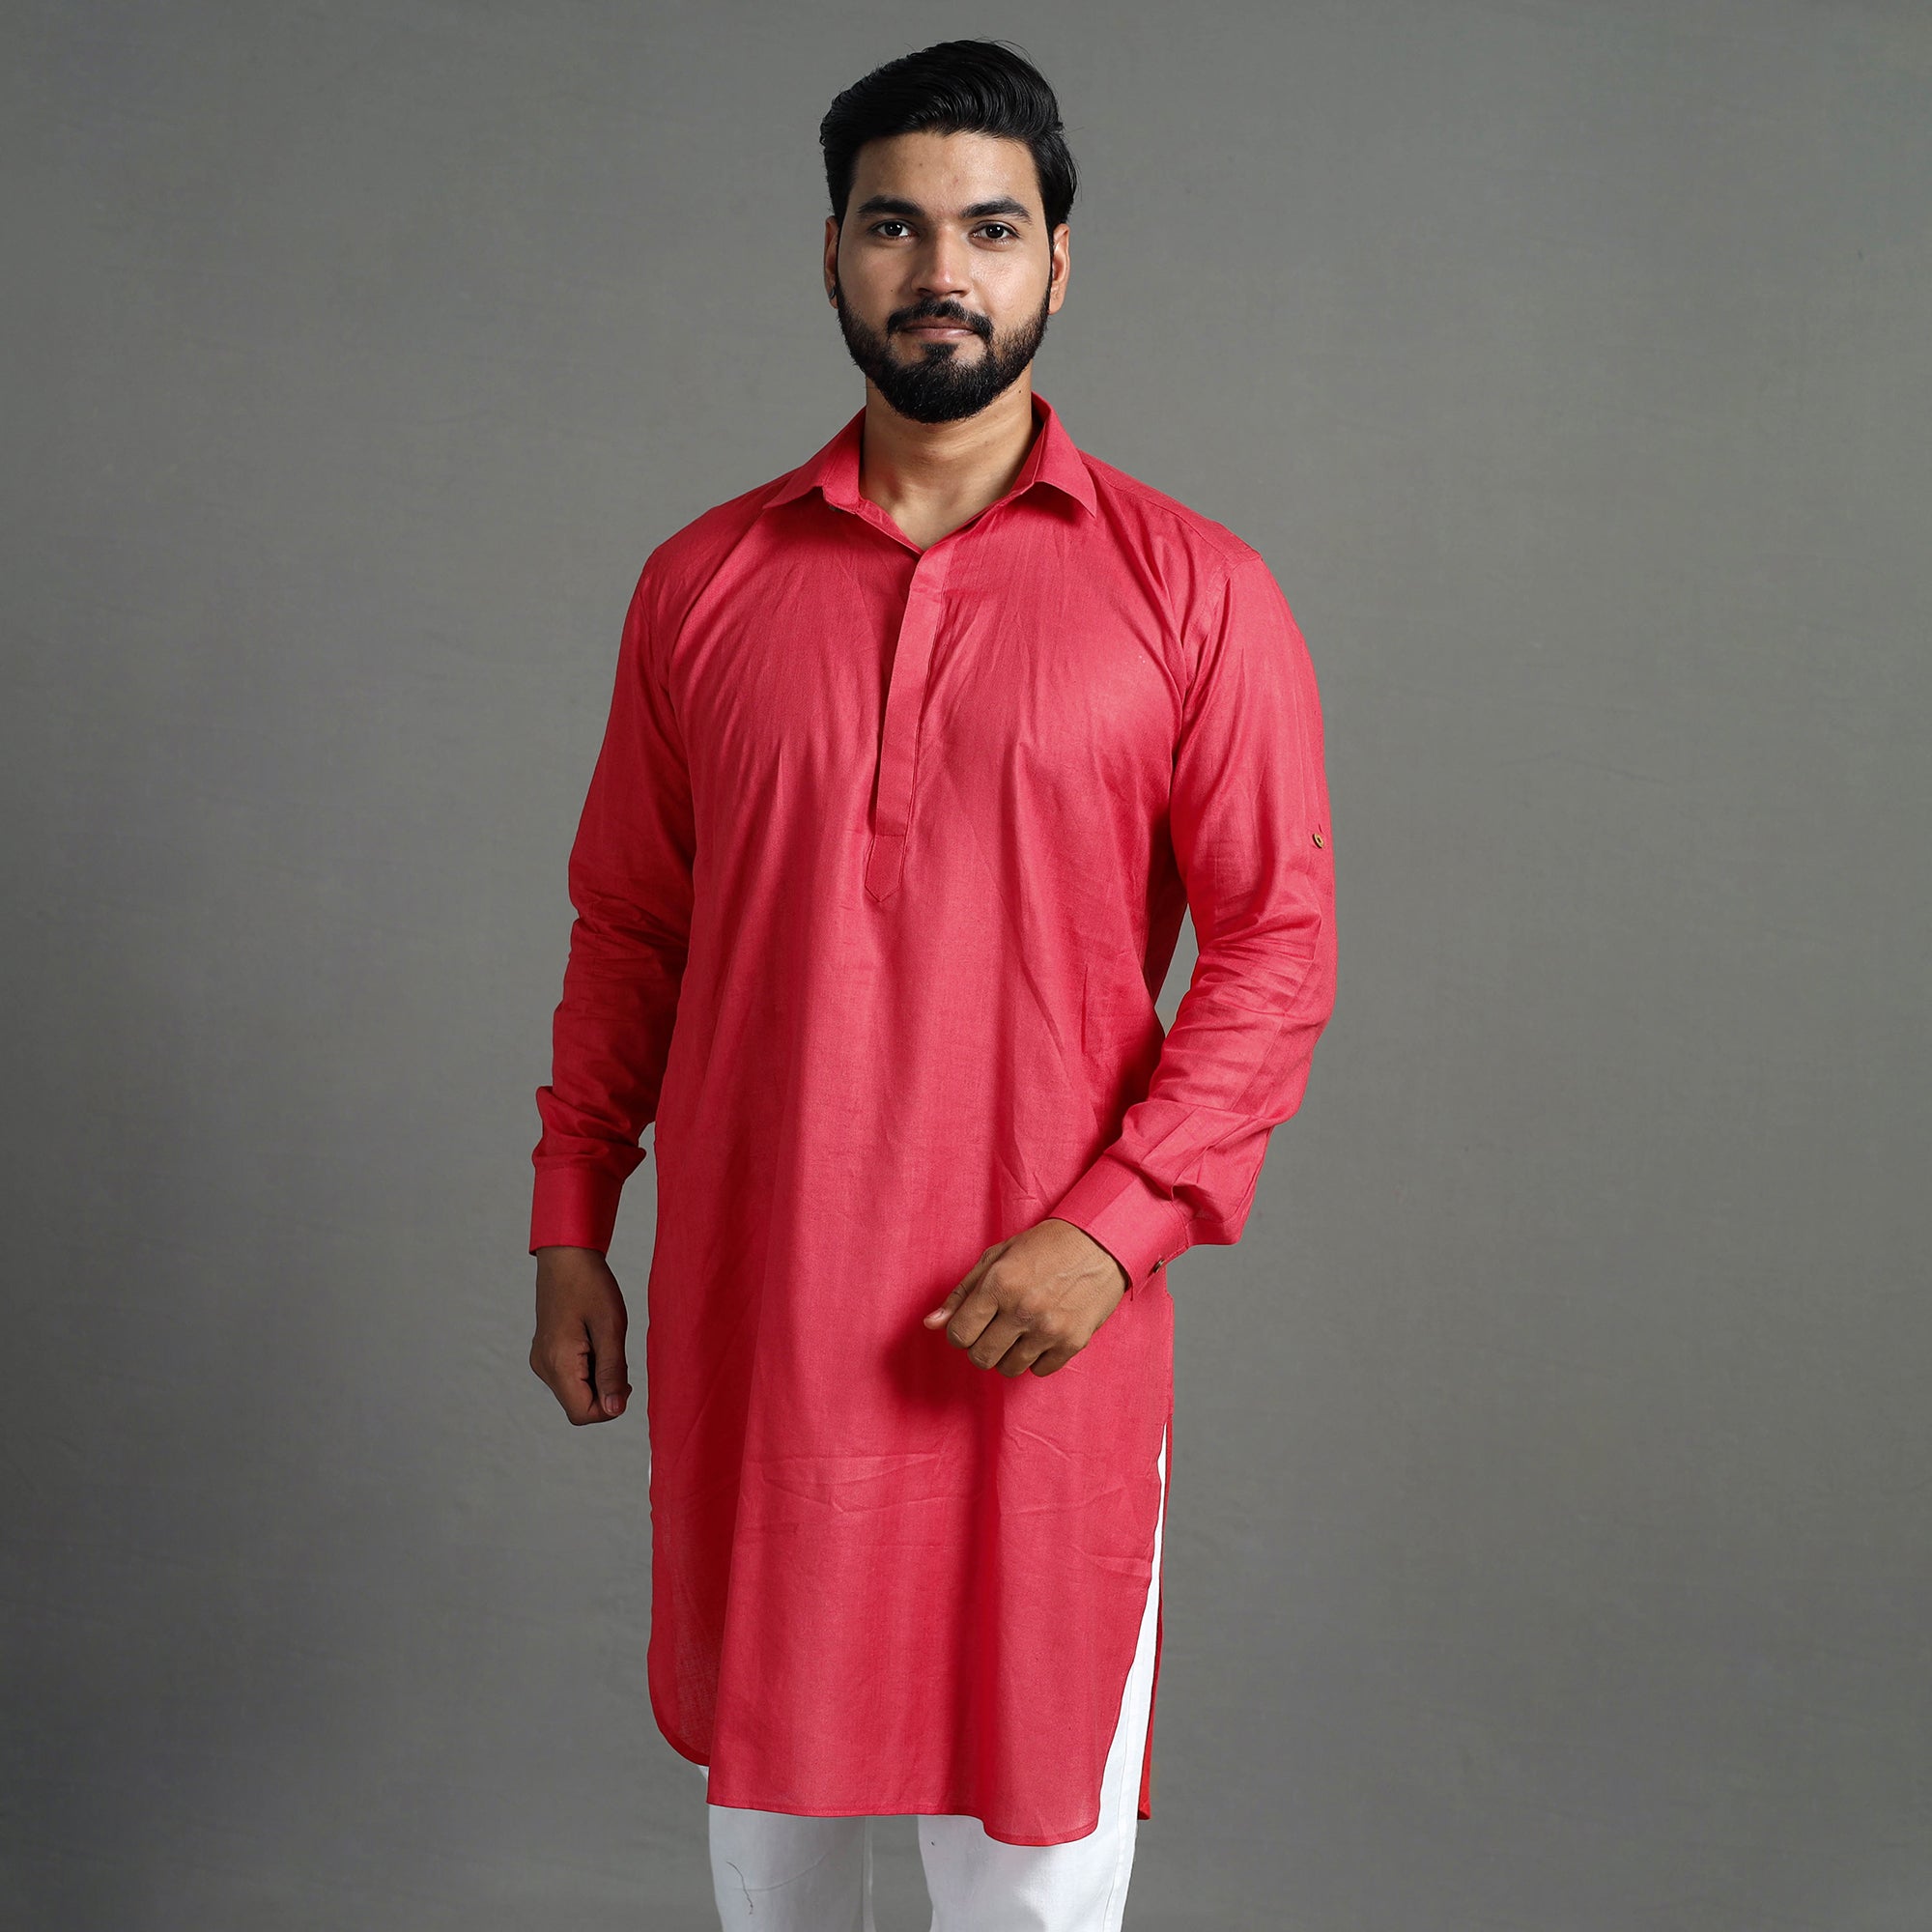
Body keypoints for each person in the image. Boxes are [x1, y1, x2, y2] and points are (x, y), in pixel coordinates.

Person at [526, 37, 1338, 1932]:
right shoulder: (703, 584)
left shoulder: (1194, 591)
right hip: (763, 1317)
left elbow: (1277, 948)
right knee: (774, 1871)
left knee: (1032, 1884)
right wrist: (573, 1214)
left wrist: (1116, 1228)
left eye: (989, 227)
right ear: (830, 256)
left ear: (1059, 264)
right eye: (894, 226)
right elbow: (630, 923)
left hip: (1035, 1328)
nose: (940, 270)